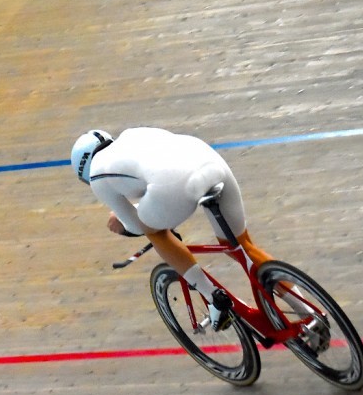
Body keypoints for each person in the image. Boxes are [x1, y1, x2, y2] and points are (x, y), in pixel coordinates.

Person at [70, 127, 274, 330]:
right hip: (206, 158)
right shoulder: (131, 134)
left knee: (153, 231)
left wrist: (123, 225)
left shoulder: (97, 176)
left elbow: (135, 226)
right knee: (241, 245)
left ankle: (214, 298)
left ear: (83, 171)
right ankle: (304, 311)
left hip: (177, 183)